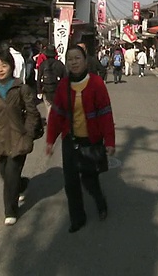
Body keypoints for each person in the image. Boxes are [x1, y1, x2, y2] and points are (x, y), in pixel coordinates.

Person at [45, 44, 116, 233]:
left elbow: (105, 114)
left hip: (91, 141)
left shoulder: (96, 83)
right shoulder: (63, 85)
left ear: (85, 61)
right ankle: (77, 218)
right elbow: (56, 115)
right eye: (70, 59)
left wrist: (109, 141)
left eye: (77, 58)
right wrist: (50, 140)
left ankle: (100, 202)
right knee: (70, 182)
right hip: (71, 141)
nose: (73, 62)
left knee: (89, 179)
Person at [0, 50, 41, 226]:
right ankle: (21, 184)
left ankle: (10, 210)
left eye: (4, 65)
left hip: (19, 137)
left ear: (11, 67)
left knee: (11, 174)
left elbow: (32, 112)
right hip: (0, 140)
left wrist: (28, 133)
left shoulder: (21, 87)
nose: (0, 69)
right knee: (3, 172)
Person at [37, 45, 67, 118]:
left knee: (49, 109)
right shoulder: (60, 64)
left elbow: (38, 79)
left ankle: (50, 125)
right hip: (58, 90)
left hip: (46, 90)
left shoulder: (43, 65)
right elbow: (66, 79)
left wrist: (39, 91)